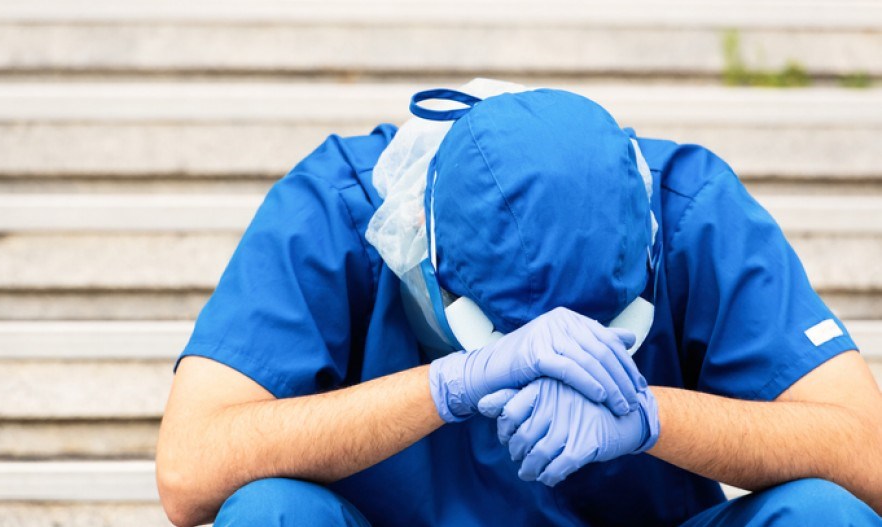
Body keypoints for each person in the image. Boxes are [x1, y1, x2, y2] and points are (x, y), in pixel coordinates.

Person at [155, 79, 882, 526]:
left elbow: (867, 454)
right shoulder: (338, 210)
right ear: (420, 241)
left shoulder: (691, 208)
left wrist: (649, 417)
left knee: (825, 515)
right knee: (271, 514)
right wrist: (448, 387)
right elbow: (190, 470)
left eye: (603, 338)